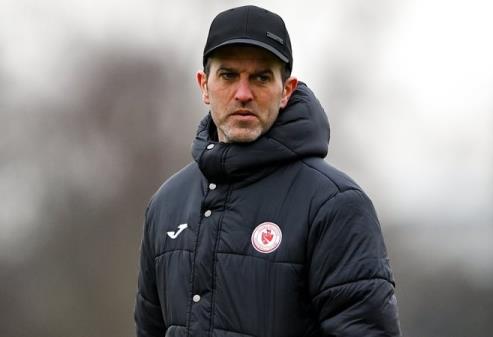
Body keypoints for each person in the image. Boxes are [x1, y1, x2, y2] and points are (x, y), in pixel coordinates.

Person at [134, 5, 401, 337]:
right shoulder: (166, 205)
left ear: (286, 90)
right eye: (228, 75)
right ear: (204, 85)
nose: (243, 93)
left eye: (261, 77)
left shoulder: (336, 205)